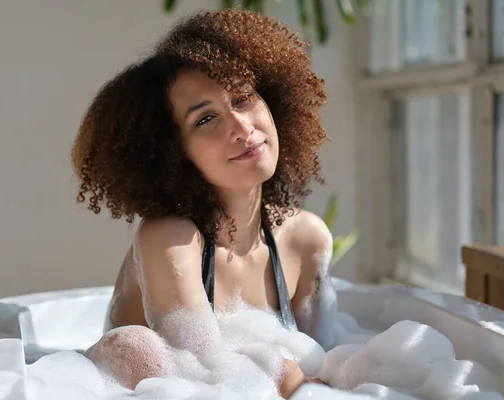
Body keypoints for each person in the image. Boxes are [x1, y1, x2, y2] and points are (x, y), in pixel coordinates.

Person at [71, 8, 337, 399]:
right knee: (136, 349)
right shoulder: (170, 238)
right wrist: (290, 375)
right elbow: (200, 371)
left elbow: (324, 364)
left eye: (244, 98)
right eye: (205, 119)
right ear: (172, 153)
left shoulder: (306, 239)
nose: (242, 127)